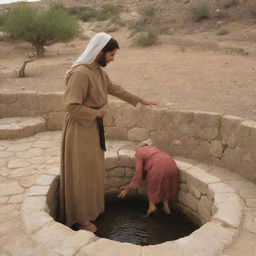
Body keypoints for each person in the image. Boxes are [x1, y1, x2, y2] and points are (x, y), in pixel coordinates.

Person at [59, 32, 158, 233]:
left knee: (92, 171)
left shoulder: (98, 72)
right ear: (100, 52)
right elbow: (71, 106)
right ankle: (80, 219)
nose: (112, 60)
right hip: (80, 130)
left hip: (92, 128)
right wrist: (96, 112)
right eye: (111, 55)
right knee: (82, 174)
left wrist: (140, 99)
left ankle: (91, 210)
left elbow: (114, 88)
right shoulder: (80, 73)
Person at [118, 139, 179, 217]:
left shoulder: (139, 152)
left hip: (158, 168)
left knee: (151, 184)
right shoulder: (155, 149)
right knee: (165, 184)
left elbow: (138, 172)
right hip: (172, 165)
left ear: (141, 147)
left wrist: (128, 189)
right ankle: (166, 207)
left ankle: (152, 206)